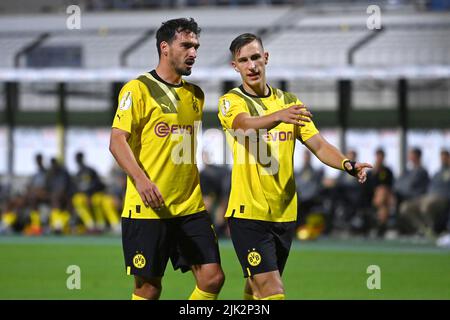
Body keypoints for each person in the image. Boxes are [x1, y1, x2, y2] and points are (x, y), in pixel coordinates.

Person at [217, 33, 372, 300]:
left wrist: (347, 163)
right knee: (272, 291)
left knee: (255, 289)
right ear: (235, 66)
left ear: (265, 58)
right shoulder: (231, 101)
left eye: (255, 57)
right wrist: (277, 116)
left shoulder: (289, 102)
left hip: (284, 214)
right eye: (244, 60)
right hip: (248, 213)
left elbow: (320, 146)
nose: (252, 66)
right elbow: (242, 124)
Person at [109, 18, 224, 300]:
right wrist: (141, 181)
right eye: (186, 45)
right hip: (148, 208)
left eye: (196, 46)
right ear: (164, 47)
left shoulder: (196, 95)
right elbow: (116, 141)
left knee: (212, 278)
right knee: (148, 289)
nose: (193, 52)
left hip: (189, 206)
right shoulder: (137, 89)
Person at [399, 149, 449, 236]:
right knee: (405, 207)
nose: (443, 159)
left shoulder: (424, 171)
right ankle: (423, 229)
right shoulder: (437, 172)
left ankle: (433, 229)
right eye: (442, 157)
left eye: (445, 157)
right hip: (428, 196)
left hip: (442, 198)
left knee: (426, 206)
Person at [72, 151, 120, 234]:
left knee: (97, 200)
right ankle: (90, 224)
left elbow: (98, 185)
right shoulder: (78, 173)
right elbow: (77, 188)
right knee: (77, 200)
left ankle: (102, 224)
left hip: (96, 194)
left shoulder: (90, 170)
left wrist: (89, 195)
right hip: (86, 196)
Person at [396, 147, 430, 234]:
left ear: (417, 156)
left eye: (411, 155)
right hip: (403, 197)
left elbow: (412, 187)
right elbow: (398, 184)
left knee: (405, 207)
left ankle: (421, 228)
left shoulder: (422, 171)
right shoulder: (407, 171)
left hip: (417, 199)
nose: (409, 157)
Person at [366, 148, 395, 237]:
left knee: (383, 194)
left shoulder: (387, 171)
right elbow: (367, 187)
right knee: (381, 193)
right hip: (371, 197)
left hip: (385, 197)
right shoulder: (370, 172)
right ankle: (381, 226)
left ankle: (381, 226)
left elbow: (389, 186)